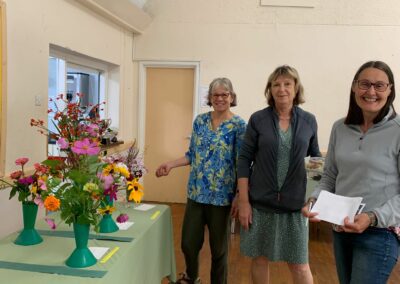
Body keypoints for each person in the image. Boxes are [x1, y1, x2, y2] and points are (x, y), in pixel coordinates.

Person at [303, 61, 400, 284]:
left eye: (379, 85)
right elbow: (330, 176)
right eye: (365, 84)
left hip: (380, 232)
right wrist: (314, 199)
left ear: (390, 90)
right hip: (342, 228)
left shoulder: (397, 130)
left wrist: (373, 217)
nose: (371, 92)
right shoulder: (340, 127)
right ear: (354, 87)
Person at [155, 77, 246, 284]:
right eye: (216, 95)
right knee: (188, 243)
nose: (220, 98)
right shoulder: (200, 121)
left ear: (232, 97)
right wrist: (170, 164)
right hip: (196, 193)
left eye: (225, 94)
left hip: (222, 197)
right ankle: (191, 276)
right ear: (210, 98)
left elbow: (242, 164)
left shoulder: (239, 126)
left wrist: (240, 195)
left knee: (219, 250)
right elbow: (192, 155)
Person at [237, 65, 320, 284]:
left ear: (296, 88)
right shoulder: (258, 119)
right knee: (260, 260)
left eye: (287, 84)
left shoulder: (309, 121)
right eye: (276, 84)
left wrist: (312, 201)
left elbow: (316, 164)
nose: (281, 89)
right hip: (260, 205)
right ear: (270, 89)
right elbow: (244, 160)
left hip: (295, 208)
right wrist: (244, 202)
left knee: (300, 266)